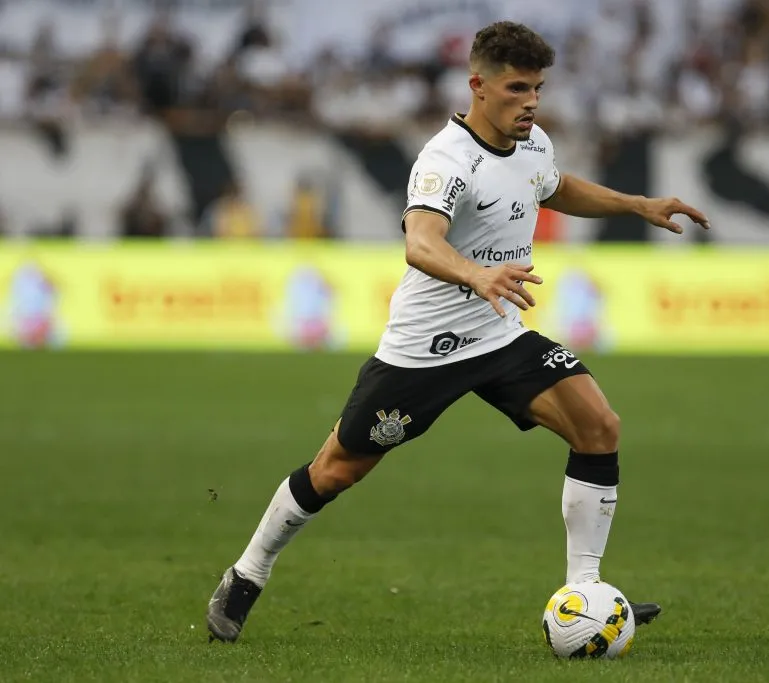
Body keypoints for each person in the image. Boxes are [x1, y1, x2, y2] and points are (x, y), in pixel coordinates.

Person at [206, 20, 710, 644]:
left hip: (499, 335)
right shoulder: (445, 160)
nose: (531, 102)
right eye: (517, 88)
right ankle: (248, 572)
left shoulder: (533, 144)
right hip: (425, 351)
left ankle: (585, 589)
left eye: (538, 89)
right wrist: (476, 275)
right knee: (335, 470)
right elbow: (420, 242)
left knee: (600, 425)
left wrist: (636, 204)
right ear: (479, 84)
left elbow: (553, 187)